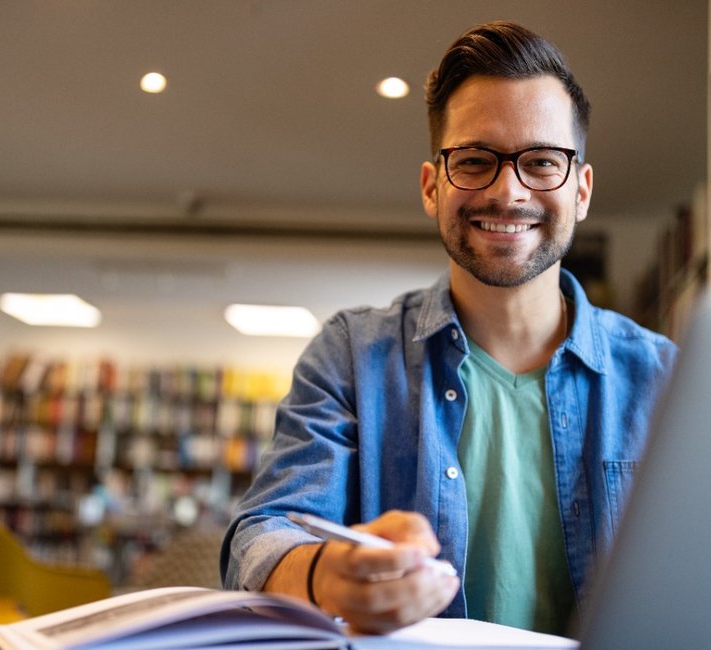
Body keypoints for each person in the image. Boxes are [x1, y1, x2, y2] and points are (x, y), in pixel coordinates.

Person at [220, 20, 677, 636]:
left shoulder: (668, 380)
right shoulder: (352, 357)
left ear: (582, 189)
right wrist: (324, 572)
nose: (508, 190)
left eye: (542, 161)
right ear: (433, 187)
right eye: (475, 160)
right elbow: (265, 532)